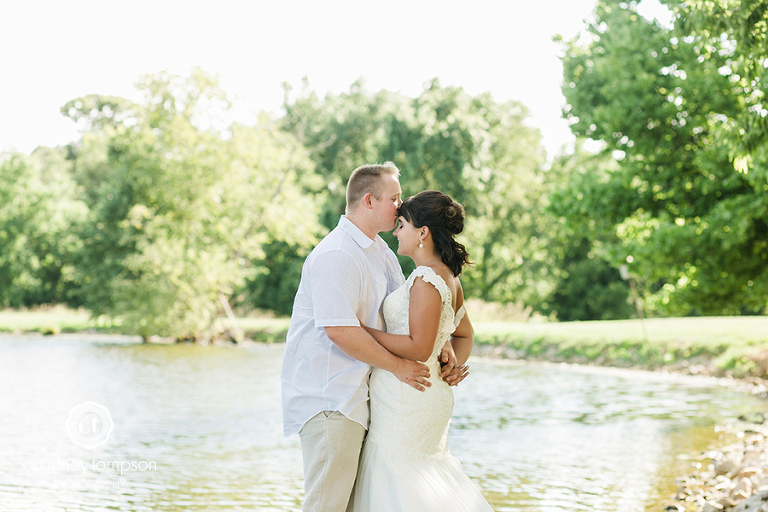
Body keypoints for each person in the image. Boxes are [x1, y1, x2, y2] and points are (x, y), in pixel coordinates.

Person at [281, 164, 467, 512]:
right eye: (394, 198)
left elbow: (407, 318)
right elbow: (338, 329)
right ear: (369, 200)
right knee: (326, 505)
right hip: (331, 400)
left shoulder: (381, 252)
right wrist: (399, 366)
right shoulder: (338, 254)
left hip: (367, 400)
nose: (400, 206)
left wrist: (443, 346)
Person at [349, 190, 492, 512]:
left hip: (409, 398)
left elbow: (418, 347)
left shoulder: (427, 278)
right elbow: (465, 335)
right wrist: (453, 362)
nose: (396, 232)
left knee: (398, 482)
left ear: (422, 232)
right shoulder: (446, 276)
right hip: (424, 391)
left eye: (401, 225)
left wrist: (360, 331)